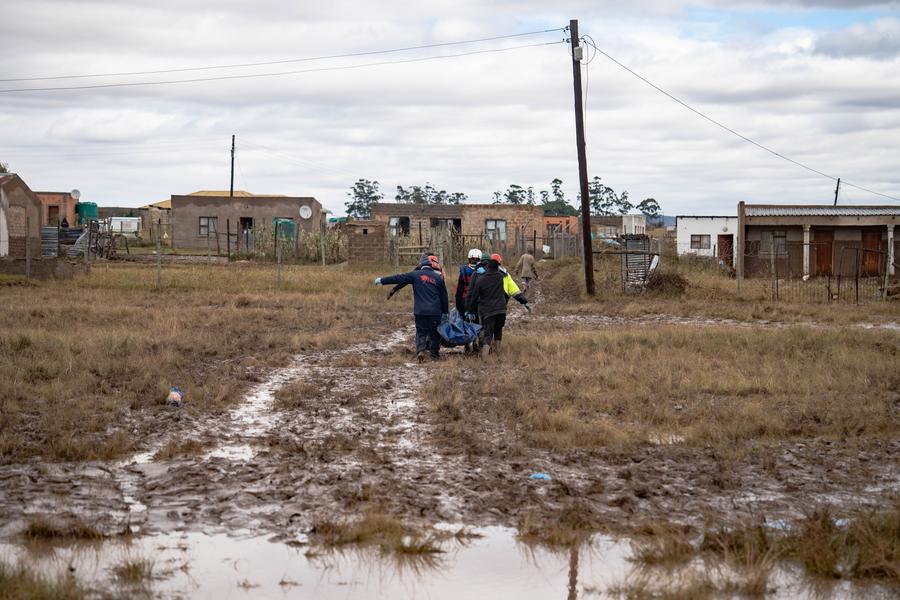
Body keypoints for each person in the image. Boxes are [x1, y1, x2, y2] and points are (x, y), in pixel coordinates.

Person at [376, 255, 449, 362]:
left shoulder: (414, 275)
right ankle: (434, 355)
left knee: (421, 332)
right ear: (430, 264)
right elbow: (444, 296)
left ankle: (420, 350)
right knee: (435, 334)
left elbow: (398, 278)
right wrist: (445, 311)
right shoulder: (438, 278)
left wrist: (382, 280)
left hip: (420, 311)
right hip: (435, 312)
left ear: (420, 265)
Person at [466, 254, 530, 357]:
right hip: (501, 307)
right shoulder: (502, 275)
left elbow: (472, 295)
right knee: (497, 330)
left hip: (485, 308)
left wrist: (469, 309)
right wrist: (524, 301)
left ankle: (484, 354)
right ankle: (497, 353)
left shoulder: (479, 276)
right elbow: (513, 290)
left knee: (486, 330)